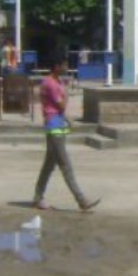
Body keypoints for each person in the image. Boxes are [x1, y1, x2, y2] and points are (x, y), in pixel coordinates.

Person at [31, 61, 100, 212]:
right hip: (54, 125)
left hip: (58, 124)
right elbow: (61, 105)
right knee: (65, 165)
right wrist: (66, 93)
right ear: (56, 67)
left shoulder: (58, 82)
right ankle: (81, 200)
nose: (66, 68)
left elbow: (61, 108)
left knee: (49, 165)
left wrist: (68, 120)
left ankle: (38, 196)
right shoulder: (50, 83)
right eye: (63, 65)